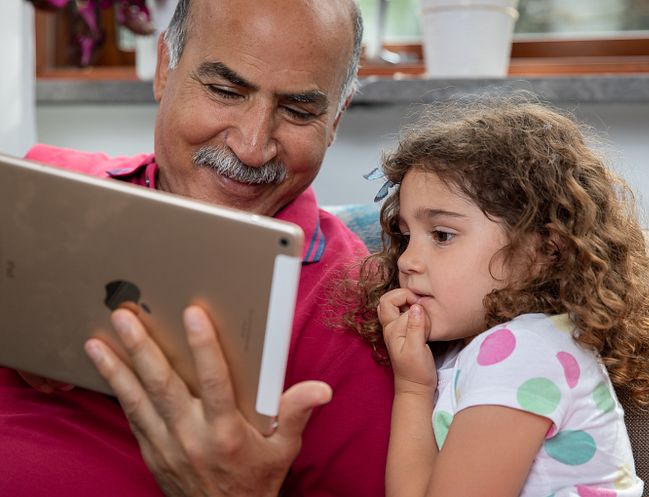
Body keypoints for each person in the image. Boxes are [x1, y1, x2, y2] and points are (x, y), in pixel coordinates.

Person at [0, 1, 394, 496]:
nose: (252, 147)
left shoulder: (353, 309)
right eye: (226, 91)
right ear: (166, 68)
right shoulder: (43, 187)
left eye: (298, 110)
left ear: (336, 118)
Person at [348, 96, 649, 497]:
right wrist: (414, 384)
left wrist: (412, 389)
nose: (408, 260)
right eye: (406, 236)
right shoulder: (480, 350)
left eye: (442, 235)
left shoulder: (521, 349)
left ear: (544, 248)